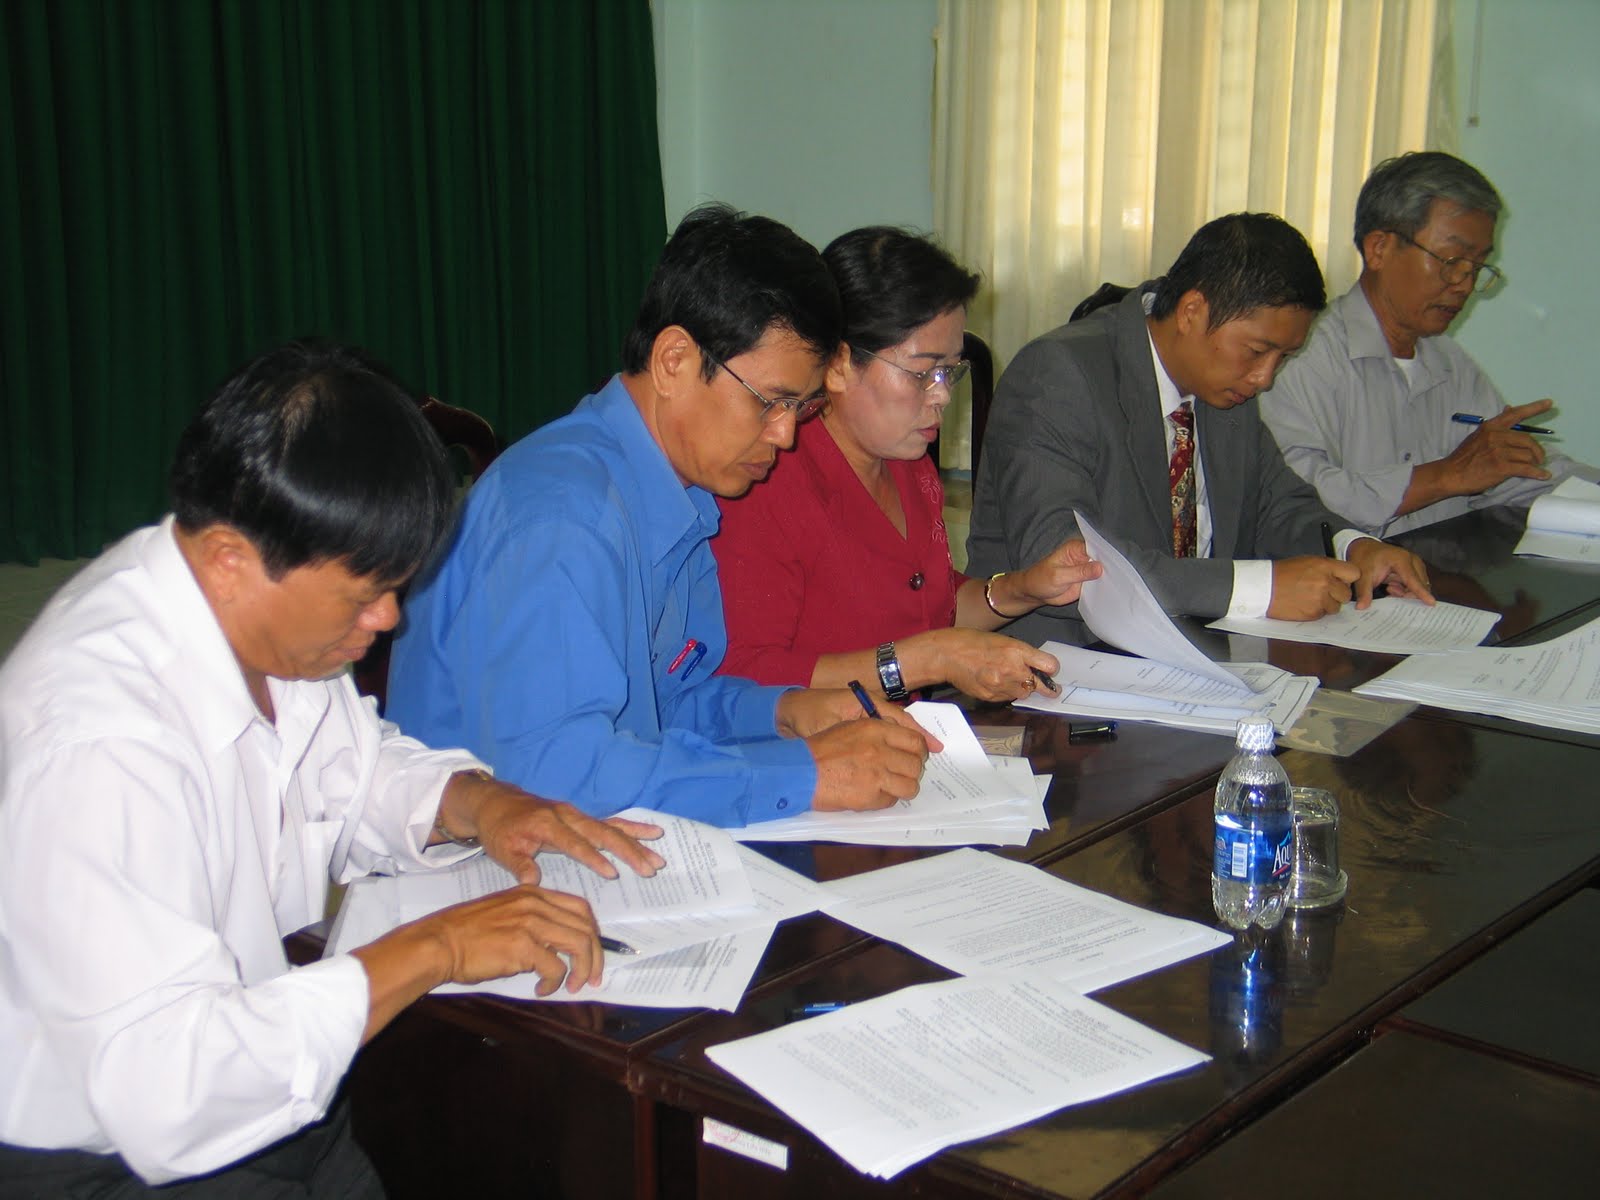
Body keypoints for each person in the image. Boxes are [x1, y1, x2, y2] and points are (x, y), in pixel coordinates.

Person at [0, 342, 665, 1195]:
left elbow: (352, 768)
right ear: (231, 561)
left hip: (277, 1070)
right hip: (116, 1156)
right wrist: (438, 947)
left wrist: (479, 802)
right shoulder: (99, 746)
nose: (387, 620)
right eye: (362, 595)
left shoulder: (259, 619)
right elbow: (167, 1094)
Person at [387, 205, 936, 830]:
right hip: (475, 864)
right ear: (674, 360)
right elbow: (554, 774)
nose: (785, 436)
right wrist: (805, 774)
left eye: (801, 408)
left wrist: (786, 712)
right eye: (770, 402)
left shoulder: (682, 495)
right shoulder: (563, 516)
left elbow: (666, 705)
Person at [966, 212, 1432, 648]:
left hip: (1196, 653)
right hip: (1060, 662)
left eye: (1284, 358)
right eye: (1257, 351)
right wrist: (1257, 588)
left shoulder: (1224, 388)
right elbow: (1064, 563)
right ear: (1191, 311)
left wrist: (1355, 548)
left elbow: (1277, 503)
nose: (1265, 378)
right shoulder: (1058, 375)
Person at [712, 226, 1101, 704]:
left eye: (950, 371)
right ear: (838, 364)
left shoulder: (906, 465)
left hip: (903, 733)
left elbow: (928, 611)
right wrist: (930, 659)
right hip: (807, 744)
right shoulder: (767, 479)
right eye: (922, 373)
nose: (942, 395)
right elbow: (749, 675)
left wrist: (1025, 589)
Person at [1261, 151, 1599, 535]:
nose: (1464, 284)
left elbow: (1514, 471)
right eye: (1452, 260)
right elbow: (1295, 498)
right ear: (1379, 248)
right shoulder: (1300, 356)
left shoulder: (1450, 364)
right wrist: (1444, 476)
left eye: (1477, 267)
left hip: (1442, 569)